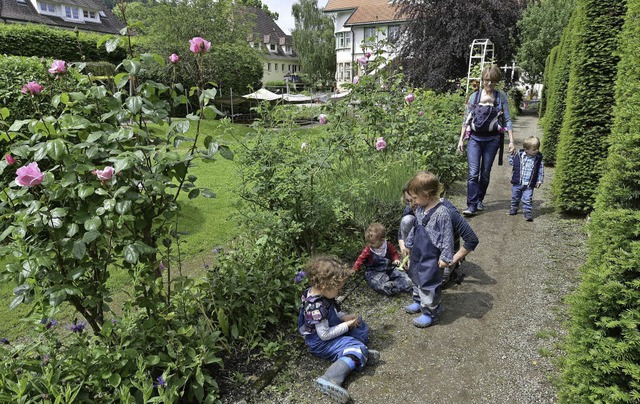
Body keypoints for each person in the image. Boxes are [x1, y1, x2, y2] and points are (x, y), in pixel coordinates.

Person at [298, 255, 380, 403]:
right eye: (338, 288)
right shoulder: (316, 306)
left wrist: (344, 318)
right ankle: (330, 378)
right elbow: (324, 335)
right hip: (321, 343)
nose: (340, 291)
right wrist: (345, 325)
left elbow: (332, 313)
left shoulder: (319, 293)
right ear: (325, 286)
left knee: (359, 324)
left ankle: (356, 353)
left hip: (330, 331)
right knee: (356, 348)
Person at [457, 64, 516, 216]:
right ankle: (471, 205)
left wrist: (511, 141)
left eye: (493, 81)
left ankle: (479, 199)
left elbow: (507, 119)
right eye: (486, 80)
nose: (489, 84)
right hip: (475, 139)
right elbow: (466, 119)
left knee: (485, 174)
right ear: (482, 79)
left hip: (492, 140)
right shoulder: (474, 97)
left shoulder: (500, 97)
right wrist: (461, 140)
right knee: (473, 173)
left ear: (496, 82)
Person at [399, 185, 479, 288]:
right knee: (407, 220)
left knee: (435, 282)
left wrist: (451, 260)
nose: (411, 205)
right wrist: (406, 255)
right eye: (408, 201)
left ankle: (450, 269)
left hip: (442, 253)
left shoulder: (446, 211)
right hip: (423, 250)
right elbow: (401, 235)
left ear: (425, 196)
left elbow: (471, 239)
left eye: (414, 199)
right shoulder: (414, 206)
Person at [403, 172, 454, 328]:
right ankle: (418, 302)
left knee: (429, 283)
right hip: (419, 251)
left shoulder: (442, 213)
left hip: (432, 255)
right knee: (416, 277)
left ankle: (430, 312)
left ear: (427, 195)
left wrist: (445, 257)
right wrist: (409, 244)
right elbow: (416, 227)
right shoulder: (420, 208)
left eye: (415, 198)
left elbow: (447, 236)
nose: (413, 202)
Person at [353, 223, 413, 295]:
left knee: (404, 277)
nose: (369, 244)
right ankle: (392, 287)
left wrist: (396, 259)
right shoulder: (368, 249)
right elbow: (360, 259)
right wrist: (355, 268)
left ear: (382, 240)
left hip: (389, 267)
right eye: (368, 242)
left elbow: (394, 253)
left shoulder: (387, 245)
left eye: (372, 242)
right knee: (378, 283)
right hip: (375, 271)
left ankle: (403, 284)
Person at [508, 136, 544, 221]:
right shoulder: (519, 156)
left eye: (538, 148)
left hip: (529, 184)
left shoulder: (538, 159)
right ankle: (514, 208)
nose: (537, 151)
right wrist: (511, 155)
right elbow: (511, 163)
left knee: (527, 199)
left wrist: (539, 181)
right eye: (534, 149)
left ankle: (527, 212)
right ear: (526, 149)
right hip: (517, 182)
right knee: (515, 197)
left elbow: (540, 171)